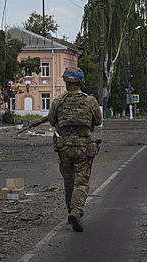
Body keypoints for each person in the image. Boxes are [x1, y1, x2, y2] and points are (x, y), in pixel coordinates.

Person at [49, 66, 102, 232]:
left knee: (68, 181)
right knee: (81, 182)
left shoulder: (58, 101)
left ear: (66, 82)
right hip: (83, 147)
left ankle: (70, 212)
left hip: (64, 147)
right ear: (81, 82)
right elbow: (98, 121)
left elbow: (52, 121)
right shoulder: (90, 101)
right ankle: (76, 210)